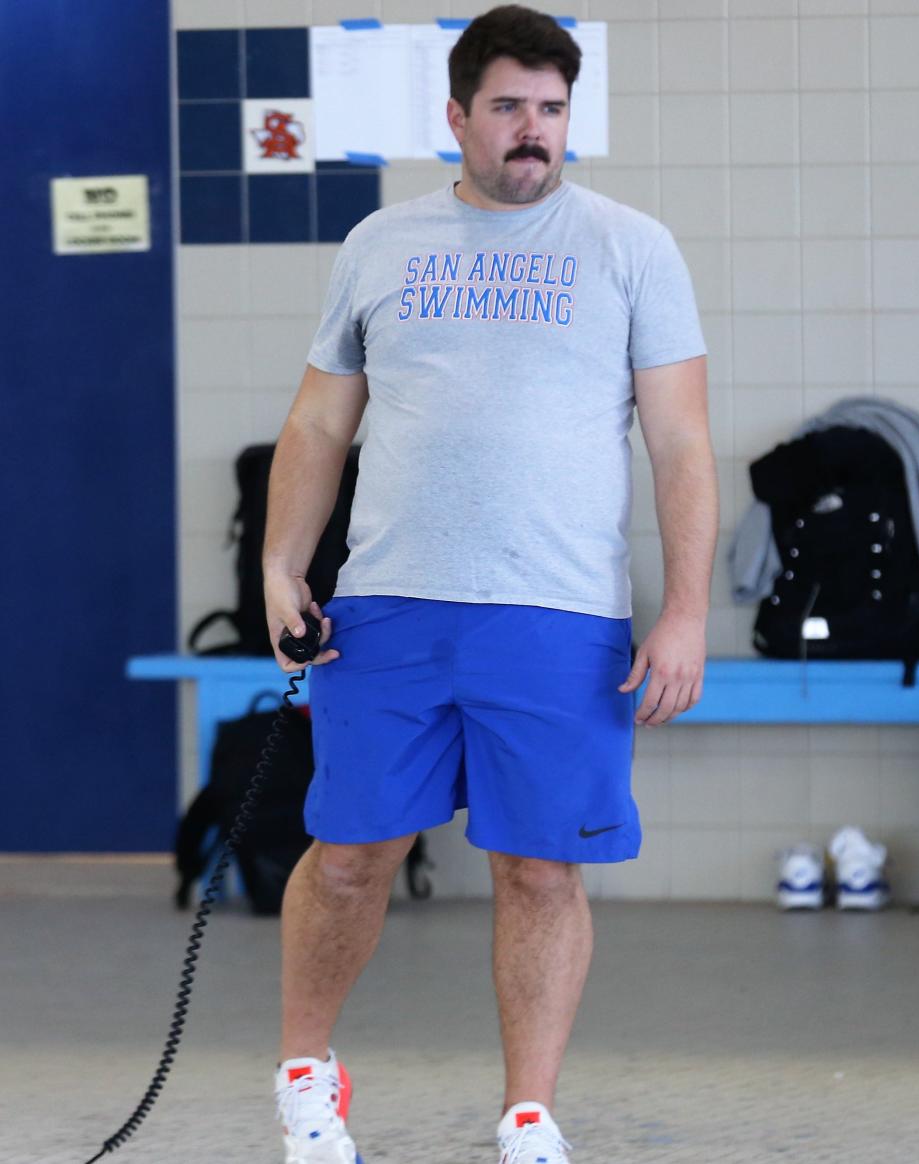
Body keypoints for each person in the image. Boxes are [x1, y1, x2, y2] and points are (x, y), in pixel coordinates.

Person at [262, 6, 718, 1162]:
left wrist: (685, 612)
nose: (532, 133)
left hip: (560, 616)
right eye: (509, 108)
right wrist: (279, 565)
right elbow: (320, 420)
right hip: (388, 606)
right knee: (353, 849)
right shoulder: (379, 245)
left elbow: (681, 446)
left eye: (552, 110)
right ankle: (307, 1077)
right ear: (456, 115)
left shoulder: (631, 248)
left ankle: (528, 1116)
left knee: (540, 868)